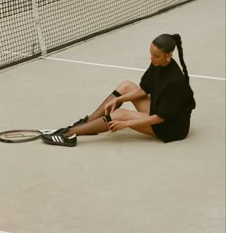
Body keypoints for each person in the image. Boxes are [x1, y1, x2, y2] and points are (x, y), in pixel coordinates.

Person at [42, 33, 196, 147]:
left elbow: (160, 118)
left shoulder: (175, 81)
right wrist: (119, 99)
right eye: (150, 54)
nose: (151, 58)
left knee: (120, 114)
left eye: (155, 56)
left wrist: (127, 123)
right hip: (160, 110)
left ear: (168, 55)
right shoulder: (158, 64)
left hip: (171, 126)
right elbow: (143, 90)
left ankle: (69, 134)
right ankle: (88, 123)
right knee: (126, 85)